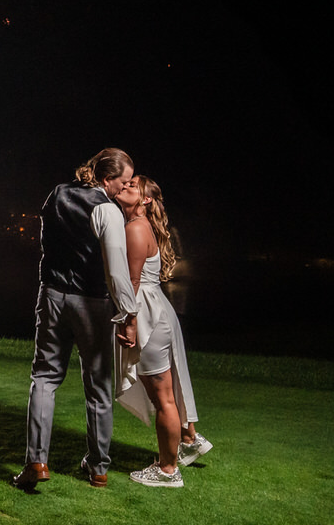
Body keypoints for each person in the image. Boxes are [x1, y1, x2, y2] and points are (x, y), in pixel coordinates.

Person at [13, 148, 141, 491]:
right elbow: (116, 270)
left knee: (44, 377)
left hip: (52, 294)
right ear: (105, 178)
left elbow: (46, 243)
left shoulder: (57, 193)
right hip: (92, 303)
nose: (125, 188)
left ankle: (36, 461)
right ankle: (98, 467)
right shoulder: (108, 210)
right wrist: (129, 314)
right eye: (123, 181)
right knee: (98, 386)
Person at [112, 175, 212, 488]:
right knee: (167, 391)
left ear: (146, 200)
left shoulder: (136, 227)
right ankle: (187, 438)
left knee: (163, 397)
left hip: (148, 316)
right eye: (125, 182)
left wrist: (129, 321)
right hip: (157, 311)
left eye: (133, 185)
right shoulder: (141, 225)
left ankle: (168, 470)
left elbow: (133, 282)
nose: (126, 185)